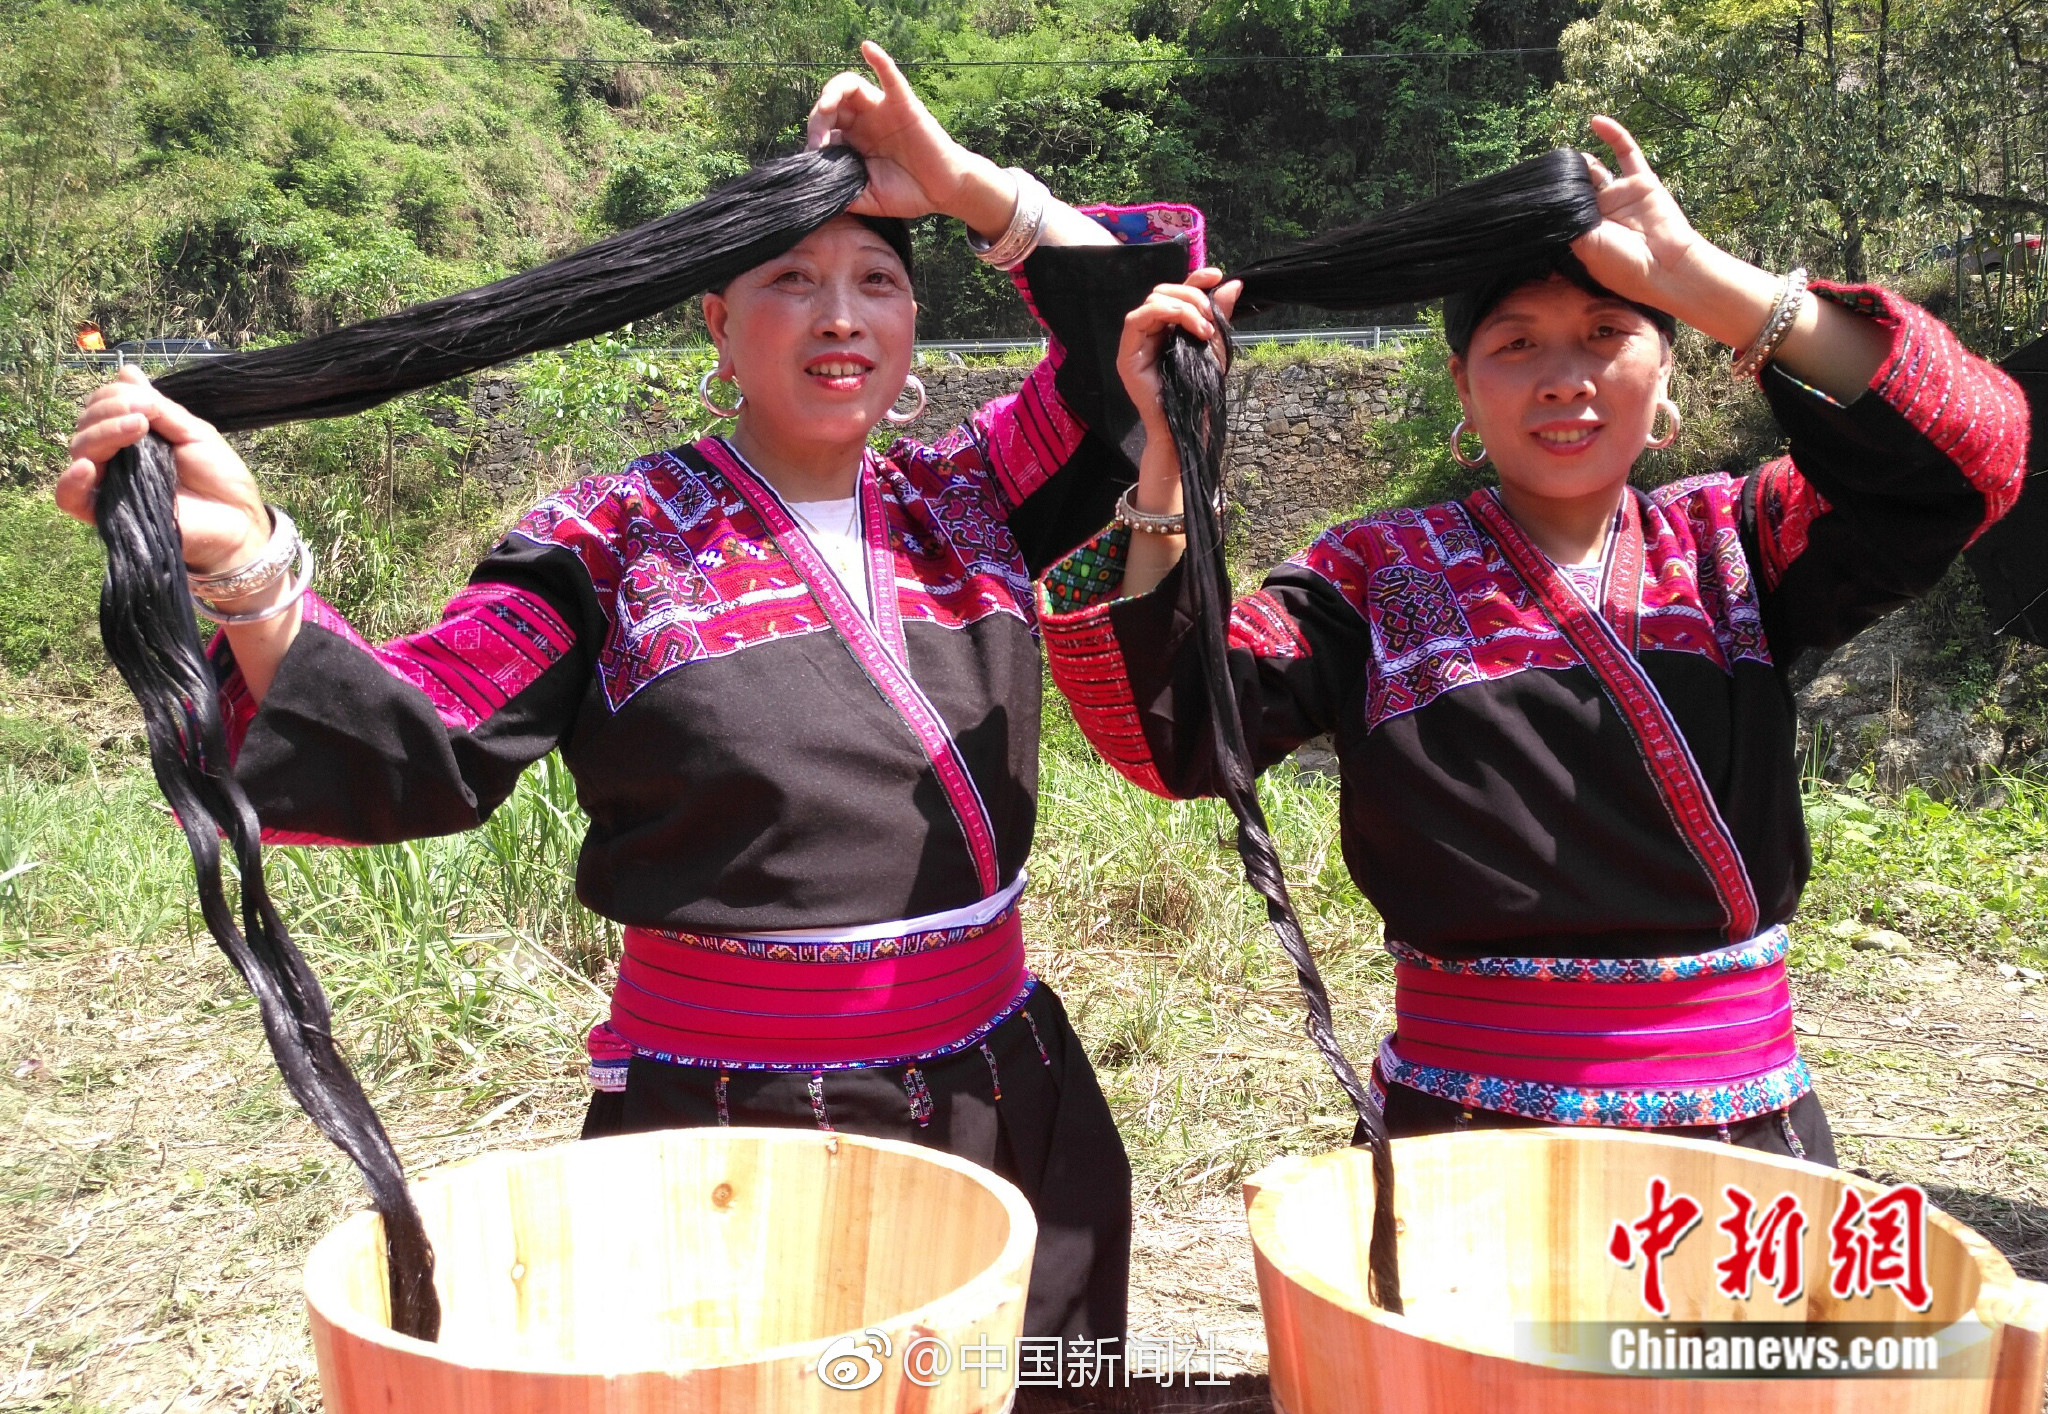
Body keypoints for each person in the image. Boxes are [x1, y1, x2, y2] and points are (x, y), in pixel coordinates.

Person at [55, 43, 1233, 1342]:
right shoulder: (608, 540)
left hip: (1006, 1100)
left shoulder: (977, 491)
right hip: (728, 1128)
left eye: (878, 280)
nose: (842, 314)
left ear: (912, 324)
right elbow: (424, 735)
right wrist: (250, 563)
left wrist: (958, 183)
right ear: (718, 322)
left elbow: (1151, 324)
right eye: (791, 279)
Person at [1042, 116, 2028, 1162]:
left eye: (1608, 333)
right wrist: (1164, 456)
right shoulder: (1371, 575)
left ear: (1666, 385)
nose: (1564, 376)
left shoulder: (1738, 545)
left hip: (1740, 1138)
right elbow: (1170, 734)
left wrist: (1700, 277)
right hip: (1464, 1139)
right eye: (1515, 344)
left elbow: (1975, 453)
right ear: (1464, 394)